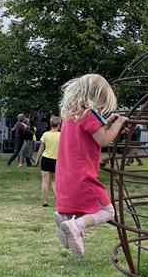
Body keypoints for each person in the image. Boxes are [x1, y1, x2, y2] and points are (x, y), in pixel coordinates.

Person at [54, 74, 129, 257]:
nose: (102, 108)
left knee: (77, 207)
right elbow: (103, 139)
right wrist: (119, 123)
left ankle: (64, 218)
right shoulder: (90, 114)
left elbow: (90, 132)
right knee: (107, 211)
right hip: (83, 175)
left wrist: (107, 122)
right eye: (103, 103)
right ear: (96, 96)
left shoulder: (71, 114)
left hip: (65, 174)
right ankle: (75, 225)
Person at [35, 116, 61, 207]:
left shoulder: (45, 134)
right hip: (56, 160)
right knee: (54, 181)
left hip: (46, 159)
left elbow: (41, 149)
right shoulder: (61, 135)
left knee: (45, 181)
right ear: (59, 125)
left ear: (50, 124)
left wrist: (37, 159)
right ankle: (58, 200)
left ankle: (45, 201)